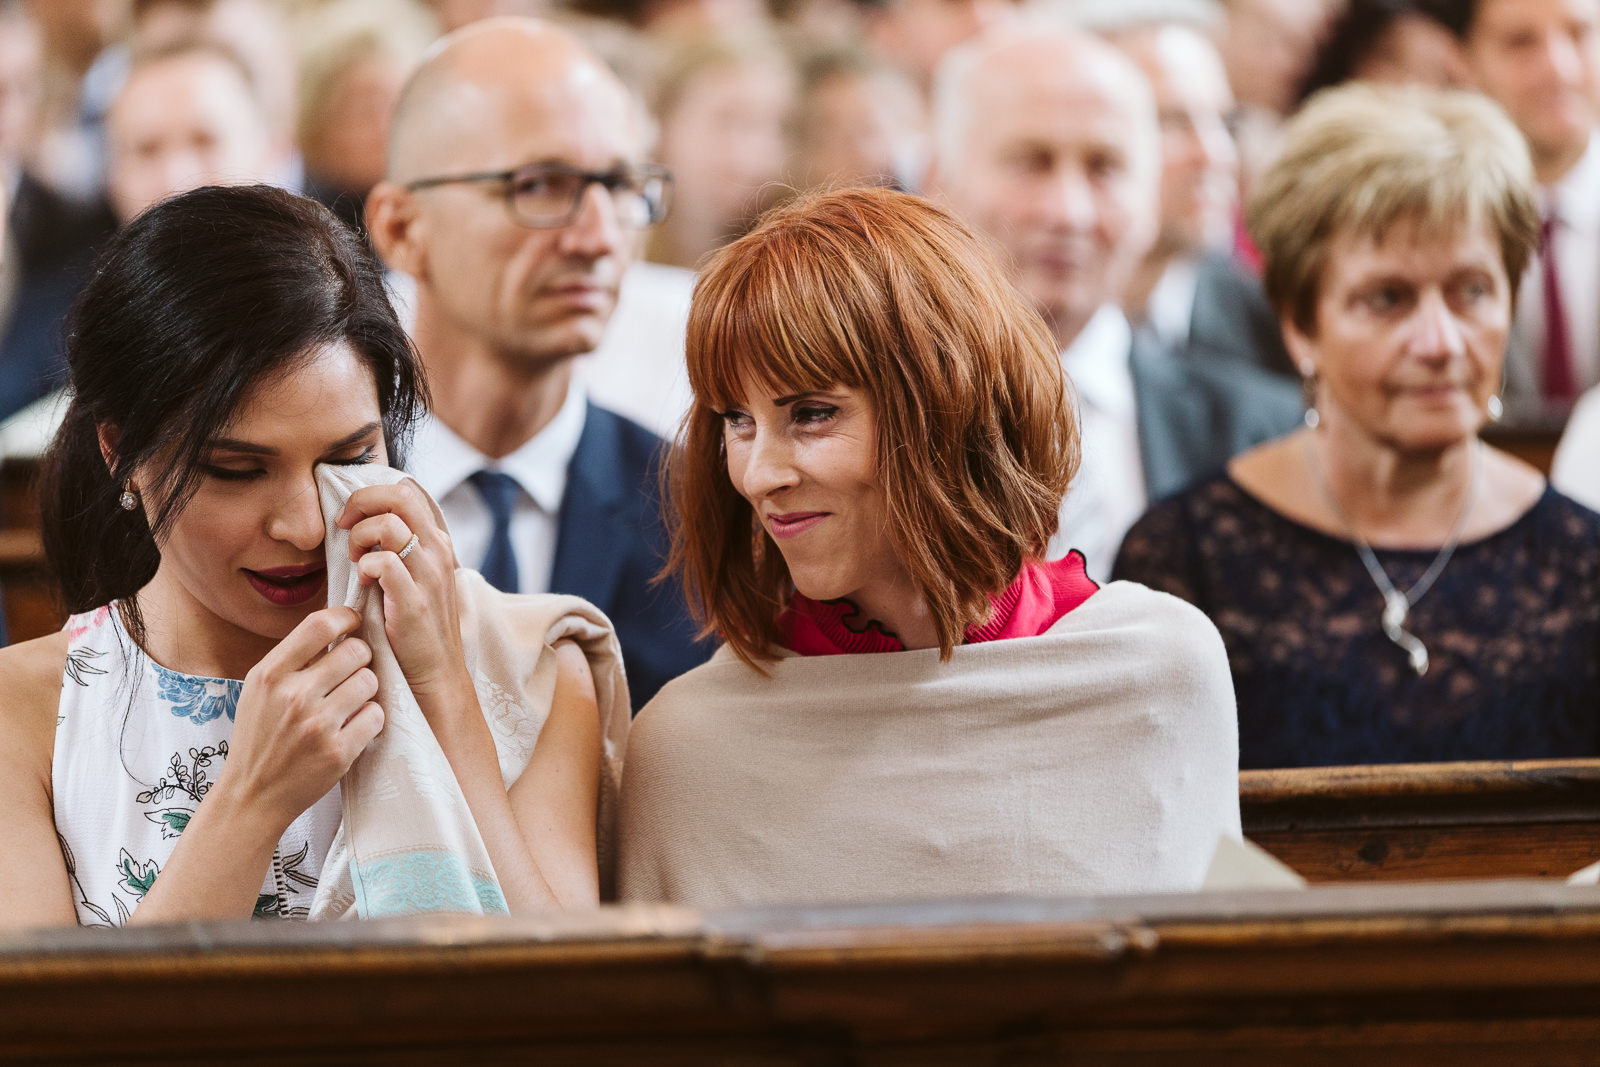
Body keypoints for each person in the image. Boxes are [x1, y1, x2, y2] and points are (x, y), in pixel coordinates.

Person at [0, 184, 611, 929]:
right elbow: (61, 1041)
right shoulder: (26, 715)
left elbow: (571, 1001)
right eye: (236, 470)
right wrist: (250, 802)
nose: (303, 526)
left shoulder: (532, 664)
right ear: (119, 450)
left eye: (349, 456)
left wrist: (446, 693)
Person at [618, 186, 1241, 909]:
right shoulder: (687, 743)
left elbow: (1208, 990)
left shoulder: (1162, 667)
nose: (759, 475)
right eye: (737, 421)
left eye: (812, 414)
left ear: (948, 404)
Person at [1113, 84, 1600, 769]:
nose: (1440, 340)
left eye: (1472, 291)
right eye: (1387, 298)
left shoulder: (1584, 561)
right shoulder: (1185, 558)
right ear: (1301, 324)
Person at [365, 18, 710, 709]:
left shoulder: (700, 521)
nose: (600, 236)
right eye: (542, 185)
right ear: (403, 229)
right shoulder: (307, 504)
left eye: (619, 185)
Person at [927, 22, 1300, 578]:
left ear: (1148, 195)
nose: (1068, 212)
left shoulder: (1262, 433)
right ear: (939, 182)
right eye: (1031, 162)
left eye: (1104, 168)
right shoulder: (871, 423)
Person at [1105, 17, 1295, 380]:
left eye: (1226, 124)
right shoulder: (1028, 313)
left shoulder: (1274, 329)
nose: (1215, 154)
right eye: (1173, 122)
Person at [1440, 0, 1600, 424]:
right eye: (1520, 43)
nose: (1559, 69)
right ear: (1462, 60)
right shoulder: (1433, 217)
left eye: (1580, 34)